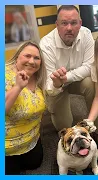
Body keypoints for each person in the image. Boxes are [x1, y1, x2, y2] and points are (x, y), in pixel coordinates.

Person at [39, 5, 98, 154]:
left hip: (75, 80)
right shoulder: (46, 44)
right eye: (64, 23)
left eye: (73, 22)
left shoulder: (86, 34)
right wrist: (58, 83)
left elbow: (89, 66)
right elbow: (48, 84)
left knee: (92, 83)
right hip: (56, 86)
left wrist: (67, 77)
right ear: (57, 25)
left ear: (80, 23)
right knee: (63, 125)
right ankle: (70, 140)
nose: (69, 28)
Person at [5, 41, 47, 174]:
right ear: (17, 57)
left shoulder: (39, 77)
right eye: (27, 56)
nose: (32, 61)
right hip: (7, 148)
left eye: (36, 58)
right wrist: (18, 87)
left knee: (35, 163)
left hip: (31, 142)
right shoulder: (5, 75)